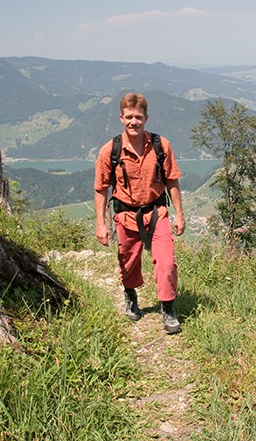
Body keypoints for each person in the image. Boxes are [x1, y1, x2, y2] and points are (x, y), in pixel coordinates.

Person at [94, 93, 186, 334]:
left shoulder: (160, 145)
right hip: (126, 215)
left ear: (146, 118)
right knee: (128, 262)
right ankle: (130, 295)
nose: (133, 121)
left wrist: (180, 214)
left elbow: (172, 181)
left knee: (166, 263)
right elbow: (101, 189)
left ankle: (168, 307)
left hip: (157, 213)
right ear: (121, 118)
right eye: (128, 117)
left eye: (138, 117)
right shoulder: (110, 151)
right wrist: (100, 224)